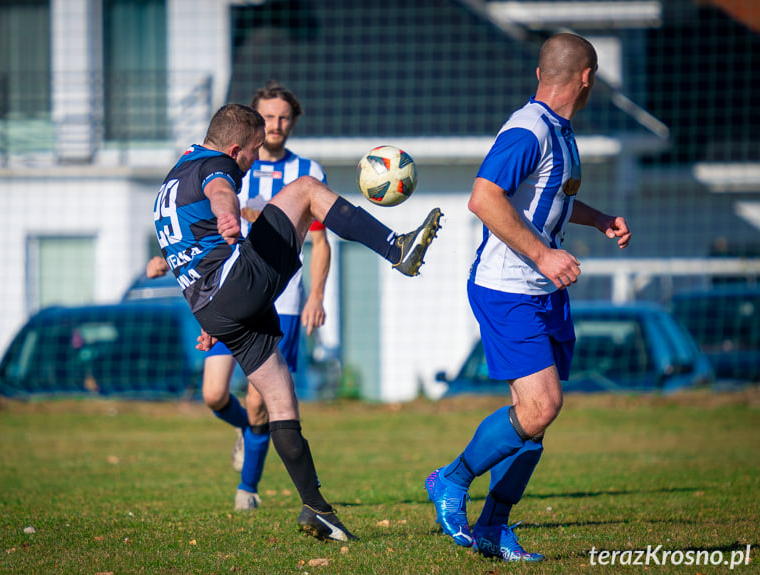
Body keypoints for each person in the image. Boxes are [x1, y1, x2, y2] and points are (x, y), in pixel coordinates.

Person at [154, 102, 443, 541]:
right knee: (305, 189)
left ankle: (316, 508)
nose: (253, 159)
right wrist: (227, 211)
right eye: (252, 151)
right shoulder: (216, 167)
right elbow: (219, 191)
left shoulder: (173, 179)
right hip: (236, 284)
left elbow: (186, 253)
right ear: (234, 149)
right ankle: (395, 247)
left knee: (280, 399)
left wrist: (213, 314)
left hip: (212, 304)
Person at [424, 32, 631, 562]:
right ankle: (451, 479)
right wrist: (543, 256)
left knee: (536, 414)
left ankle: (493, 526)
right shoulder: (528, 130)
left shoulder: (560, 132)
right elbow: (484, 198)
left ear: (542, 73)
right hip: (508, 288)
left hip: (543, 290)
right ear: (588, 79)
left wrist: (600, 219)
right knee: (542, 406)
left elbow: (551, 201)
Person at [149, 81, 333, 512]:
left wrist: (317, 295)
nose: (276, 125)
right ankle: (249, 434)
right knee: (214, 394)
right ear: (249, 127)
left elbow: (320, 242)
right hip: (227, 286)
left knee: (260, 399)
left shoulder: (308, 170)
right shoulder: (223, 167)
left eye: (284, 117)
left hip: (278, 294)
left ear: (293, 122)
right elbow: (200, 216)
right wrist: (168, 259)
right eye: (268, 117)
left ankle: (247, 490)